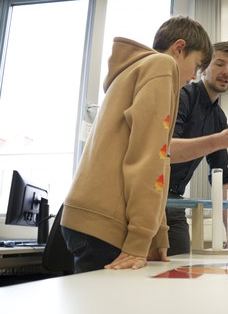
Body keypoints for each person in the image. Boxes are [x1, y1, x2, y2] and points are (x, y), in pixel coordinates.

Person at [60, 16, 213, 273]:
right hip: (106, 223)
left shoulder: (135, 70)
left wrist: (157, 237)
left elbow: (158, 162)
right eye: (197, 66)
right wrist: (140, 239)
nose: (194, 78)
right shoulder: (163, 66)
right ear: (178, 48)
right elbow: (147, 158)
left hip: (88, 218)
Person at [167, 40, 228, 255]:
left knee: (179, 268)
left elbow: (222, 178)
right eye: (219, 64)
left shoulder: (218, 117)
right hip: (147, 197)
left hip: (174, 202)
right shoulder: (183, 96)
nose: (226, 71)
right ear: (203, 67)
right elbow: (166, 151)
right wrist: (219, 140)